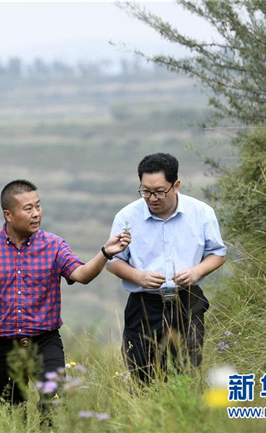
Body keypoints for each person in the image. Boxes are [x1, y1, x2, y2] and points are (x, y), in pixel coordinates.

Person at [0, 179, 130, 408]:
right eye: (28, 208)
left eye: (38, 206)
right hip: (2, 346)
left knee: (54, 404)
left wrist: (105, 253)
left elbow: (82, 274)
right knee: (13, 411)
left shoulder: (54, 245)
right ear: (8, 215)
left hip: (45, 342)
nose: (36, 213)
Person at [106, 152, 226, 383]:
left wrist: (196, 272)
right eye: (145, 191)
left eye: (159, 191)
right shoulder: (126, 217)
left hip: (187, 302)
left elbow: (217, 254)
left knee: (185, 374)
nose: (152, 198)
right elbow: (113, 262)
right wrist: (138, 276)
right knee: (142, 376)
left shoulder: (201, 213)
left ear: (176, 185)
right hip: (144, 305)